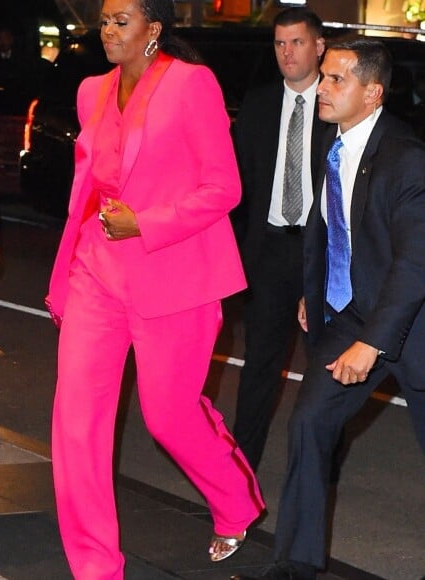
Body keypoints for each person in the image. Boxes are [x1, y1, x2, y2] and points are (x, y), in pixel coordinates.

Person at [46, 0, 264, 577]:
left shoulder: (192, 84)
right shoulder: (92, 90)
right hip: (96, 271)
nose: (108, 29)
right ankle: (95, 566)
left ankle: (235, 502)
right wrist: (66, 268)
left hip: (175, 274)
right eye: (105, 20)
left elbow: (224, 187)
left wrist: (146, 222)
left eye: (122, 20)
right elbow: (85, 191)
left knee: (167, 416)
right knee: (75, 422)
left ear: (154, 29)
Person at [237, 39, 425, 580]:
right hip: (352, 312)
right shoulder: (334, 146)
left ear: (373, 93)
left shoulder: (407, 160)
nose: (322, 87)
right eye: (324, 77)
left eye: (337, 79)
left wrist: (371, 344)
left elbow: (414, 266)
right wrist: (314, 292)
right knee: (310, 423)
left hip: (409, 322)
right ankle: (297, 561)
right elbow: (335, 231)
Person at [231, 7, 328, 472]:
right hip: (267, 249)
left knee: (325, 367)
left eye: (297, 43)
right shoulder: (258, 104)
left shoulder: (336, 106)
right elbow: (236, 186)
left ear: (319, 47)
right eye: (279, 44)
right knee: (259, 367)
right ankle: (239, 474)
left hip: (321, 255)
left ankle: (316, 468)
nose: (287, 53)